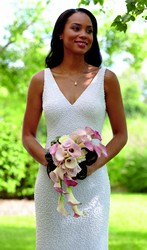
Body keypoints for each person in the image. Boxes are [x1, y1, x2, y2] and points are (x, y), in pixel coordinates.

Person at [22, 8, 128, 250]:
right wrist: (50, 164)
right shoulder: (41, 80)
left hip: (93, 183)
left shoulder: (106, 78)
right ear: (61, 33)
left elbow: (121, 135)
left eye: (89, 30)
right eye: (76, 28)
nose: (84, 35)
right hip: (51, 184)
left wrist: (90, 168)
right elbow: (27, 135)